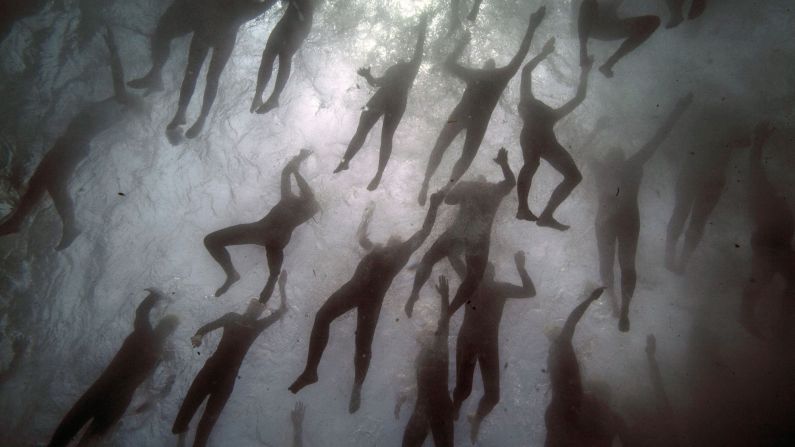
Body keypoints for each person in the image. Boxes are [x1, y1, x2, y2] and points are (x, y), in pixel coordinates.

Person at [288, 191, 445, 413]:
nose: (392, 240)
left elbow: (425, 231)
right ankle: (310, 371)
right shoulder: (377, 249)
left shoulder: (402, 253)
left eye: (396, 239)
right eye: (391, 239)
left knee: (362, 347)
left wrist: (434, 205)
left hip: (371, 301)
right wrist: (367, 216)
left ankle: (357, 387)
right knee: (322, 316)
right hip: (353, 289)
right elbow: (361, 237)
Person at [0, 27, 146, 250]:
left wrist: (114, 49)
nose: (129, 92)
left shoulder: (119, 104)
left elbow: (119, 79)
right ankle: (17, 221)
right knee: (38, 183)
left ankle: (68, 225)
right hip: (69, 145)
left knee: (54, 184)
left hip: (73, 146)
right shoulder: (113, 108)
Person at [417, 5, 546, 206]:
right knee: (463, 156)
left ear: (485, 66)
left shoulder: (475, 74)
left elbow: (448, 64)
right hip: (478, 121)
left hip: (459, 115)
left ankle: (428, 183)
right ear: (491, 67)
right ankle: (445, 187)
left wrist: (461, 43)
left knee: (442, 146)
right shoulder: (500, 76)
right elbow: (521, 55)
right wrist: (532, 26)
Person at [590, 94, 692, 332]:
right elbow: (658, 137)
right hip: (627, 219)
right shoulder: (632, 165)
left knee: (607, 264)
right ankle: (623, 308)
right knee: (627, 265)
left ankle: (615, 304)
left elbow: (575, 151)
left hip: (606, 221)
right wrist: (678, 109)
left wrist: (595, 131)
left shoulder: (600, 168)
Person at [127, 0, 277, 138]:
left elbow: (264, 6)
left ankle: (198, 117)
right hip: (210, 34)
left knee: (204, 76)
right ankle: (183, 112)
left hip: (212, 34)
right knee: (198, 74)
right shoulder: (246, 8)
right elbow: (264, 5)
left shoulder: (245, 7)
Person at [47, 290, 179, 447]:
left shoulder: (149, 339)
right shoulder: (159, 350)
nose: (165, 329)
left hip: (104, 392)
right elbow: (167, 381)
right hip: (115, 400)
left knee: (65, 434)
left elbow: (141, 311)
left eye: (168, 327)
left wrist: (154, 297)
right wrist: (152, 401)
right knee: (76, 438)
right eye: (167, 326)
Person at [172, 274, 288, 447]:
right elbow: (205, 327)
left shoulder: (258, 326)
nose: (256, 307)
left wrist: (282, 287)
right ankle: (180, 439)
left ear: (261, 312)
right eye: (254, 303)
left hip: (226, 380)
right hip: (210, 370)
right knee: (186, 410)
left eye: (260, 307)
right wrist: (198, 336)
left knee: (207, 424)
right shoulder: (231, 317)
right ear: (248, 305)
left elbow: (282, 311)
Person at [406, 148, 515, 319]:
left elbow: (449, 200)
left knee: (428, 259)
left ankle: (414, 293)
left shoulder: (468, 186)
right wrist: (503, 163)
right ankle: (449, 312)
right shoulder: (494, 190)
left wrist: (460, 188)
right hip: (478, 240)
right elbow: (510, 182)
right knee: (474, 279)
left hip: (456, 233)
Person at [203, 150, 317, 302]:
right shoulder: (289, 198)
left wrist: (296, 168)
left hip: (269, 238)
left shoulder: (310, 206)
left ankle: (263, 283)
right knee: (211, 241)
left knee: (273, 275)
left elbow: (306, 191)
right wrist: (299, 158)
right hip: (265, 235)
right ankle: (232, 274)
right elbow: (286, 173)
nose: (303, 192)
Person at [333, 16, 428, 191]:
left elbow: (419, 47)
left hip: (390, 99)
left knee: (380, 136)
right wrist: (367, 76)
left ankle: (377, 173)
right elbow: (377, 82)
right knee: (366, 132)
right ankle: (346, 161)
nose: (400, 59)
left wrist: (423, 28)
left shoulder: (413, 66)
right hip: (391, 99)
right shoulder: (395, 68)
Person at [448, 251, 535, 443]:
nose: (488, 273)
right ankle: (455, 405)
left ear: (493, 274)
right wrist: (454, 239)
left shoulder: (499, 288)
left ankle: (476, 418)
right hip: (469, 340)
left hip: (487, 343)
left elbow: (530, 292)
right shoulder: (472, 281)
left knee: (493, 396)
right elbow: (453, 257)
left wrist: (521, 268)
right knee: (464, 389)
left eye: (490, 270)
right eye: (485, 270)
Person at [516, 37, 593, 230]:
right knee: (534, 165)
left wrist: (544, 54)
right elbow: (579, 97)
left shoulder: (541, 109)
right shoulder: (541, 109)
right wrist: (585, 72)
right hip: (538, 141)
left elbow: (526, 71)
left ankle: (544, 214)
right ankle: (527, 209)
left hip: (544, 142)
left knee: (572, 176)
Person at [665, 115, 752, 273]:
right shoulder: (717, 118)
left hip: (700, 174)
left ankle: (675, 259)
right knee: (690, 217)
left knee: (686, 215)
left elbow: (746, 141)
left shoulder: (709, 117)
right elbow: (746, 141)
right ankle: (674, 259)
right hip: (703, 174)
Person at [545, 287, 629, 446]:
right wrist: (589, 299)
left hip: (564, 406)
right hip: (571, 405)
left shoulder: (556, 352)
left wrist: (590, 300)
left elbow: (571, 322)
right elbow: (571, 321)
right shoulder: (561, 346)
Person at [740, 122, 795, 339]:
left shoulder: (774, 201)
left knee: (763, 280)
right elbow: (754, 164)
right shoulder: (764, 196)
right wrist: (760, 138)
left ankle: (780, 325)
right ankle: (751, 316)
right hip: (769, 246)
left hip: (777, 247)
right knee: (760, 280)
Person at [401, 276, 454, 447]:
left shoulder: (439, 347)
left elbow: (444, 323)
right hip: (424, 408)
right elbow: (419, 384)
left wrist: (445, 296)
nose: (422, 336)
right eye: (421, 335)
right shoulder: (422, 355)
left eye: (427, 333)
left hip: (439, 409)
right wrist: (404, 397)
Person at [250, 0, 314, 114]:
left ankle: (269, 97)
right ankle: (262, 95)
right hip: (298, 19)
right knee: (276, 54)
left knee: (280, 55)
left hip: (299, 20)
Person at [576, 0, 661, 78]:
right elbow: (586, 7)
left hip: (608, 25)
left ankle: (609, 64)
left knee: (654, 21)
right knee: (589, 3)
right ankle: (608, 63)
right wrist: (583, 51)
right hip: (596, 26)